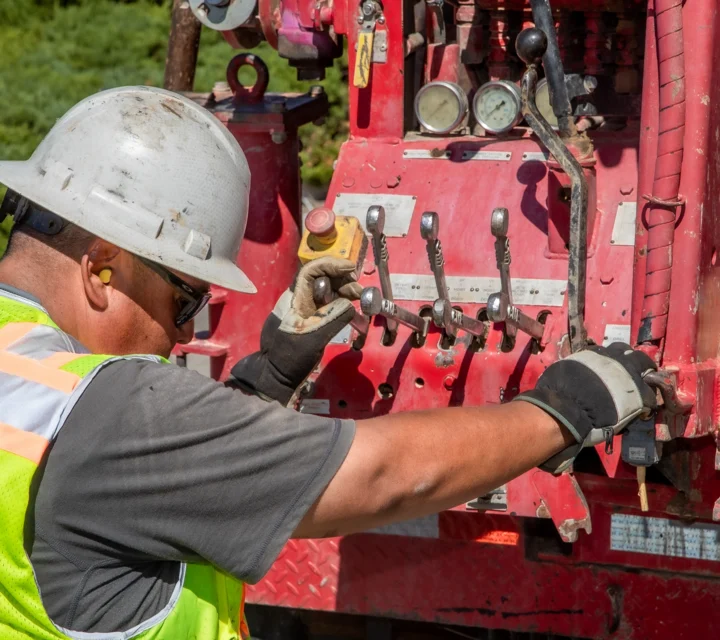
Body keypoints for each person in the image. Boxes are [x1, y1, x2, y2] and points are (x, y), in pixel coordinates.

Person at [0, 87, 656, 640]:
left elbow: (147, 483)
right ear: (101, 267)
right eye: (187, 298)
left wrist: (271, 373)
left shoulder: (32, 382)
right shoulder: (108, 409)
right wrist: (561, 410)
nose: (180, 334)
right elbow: (379, 475)